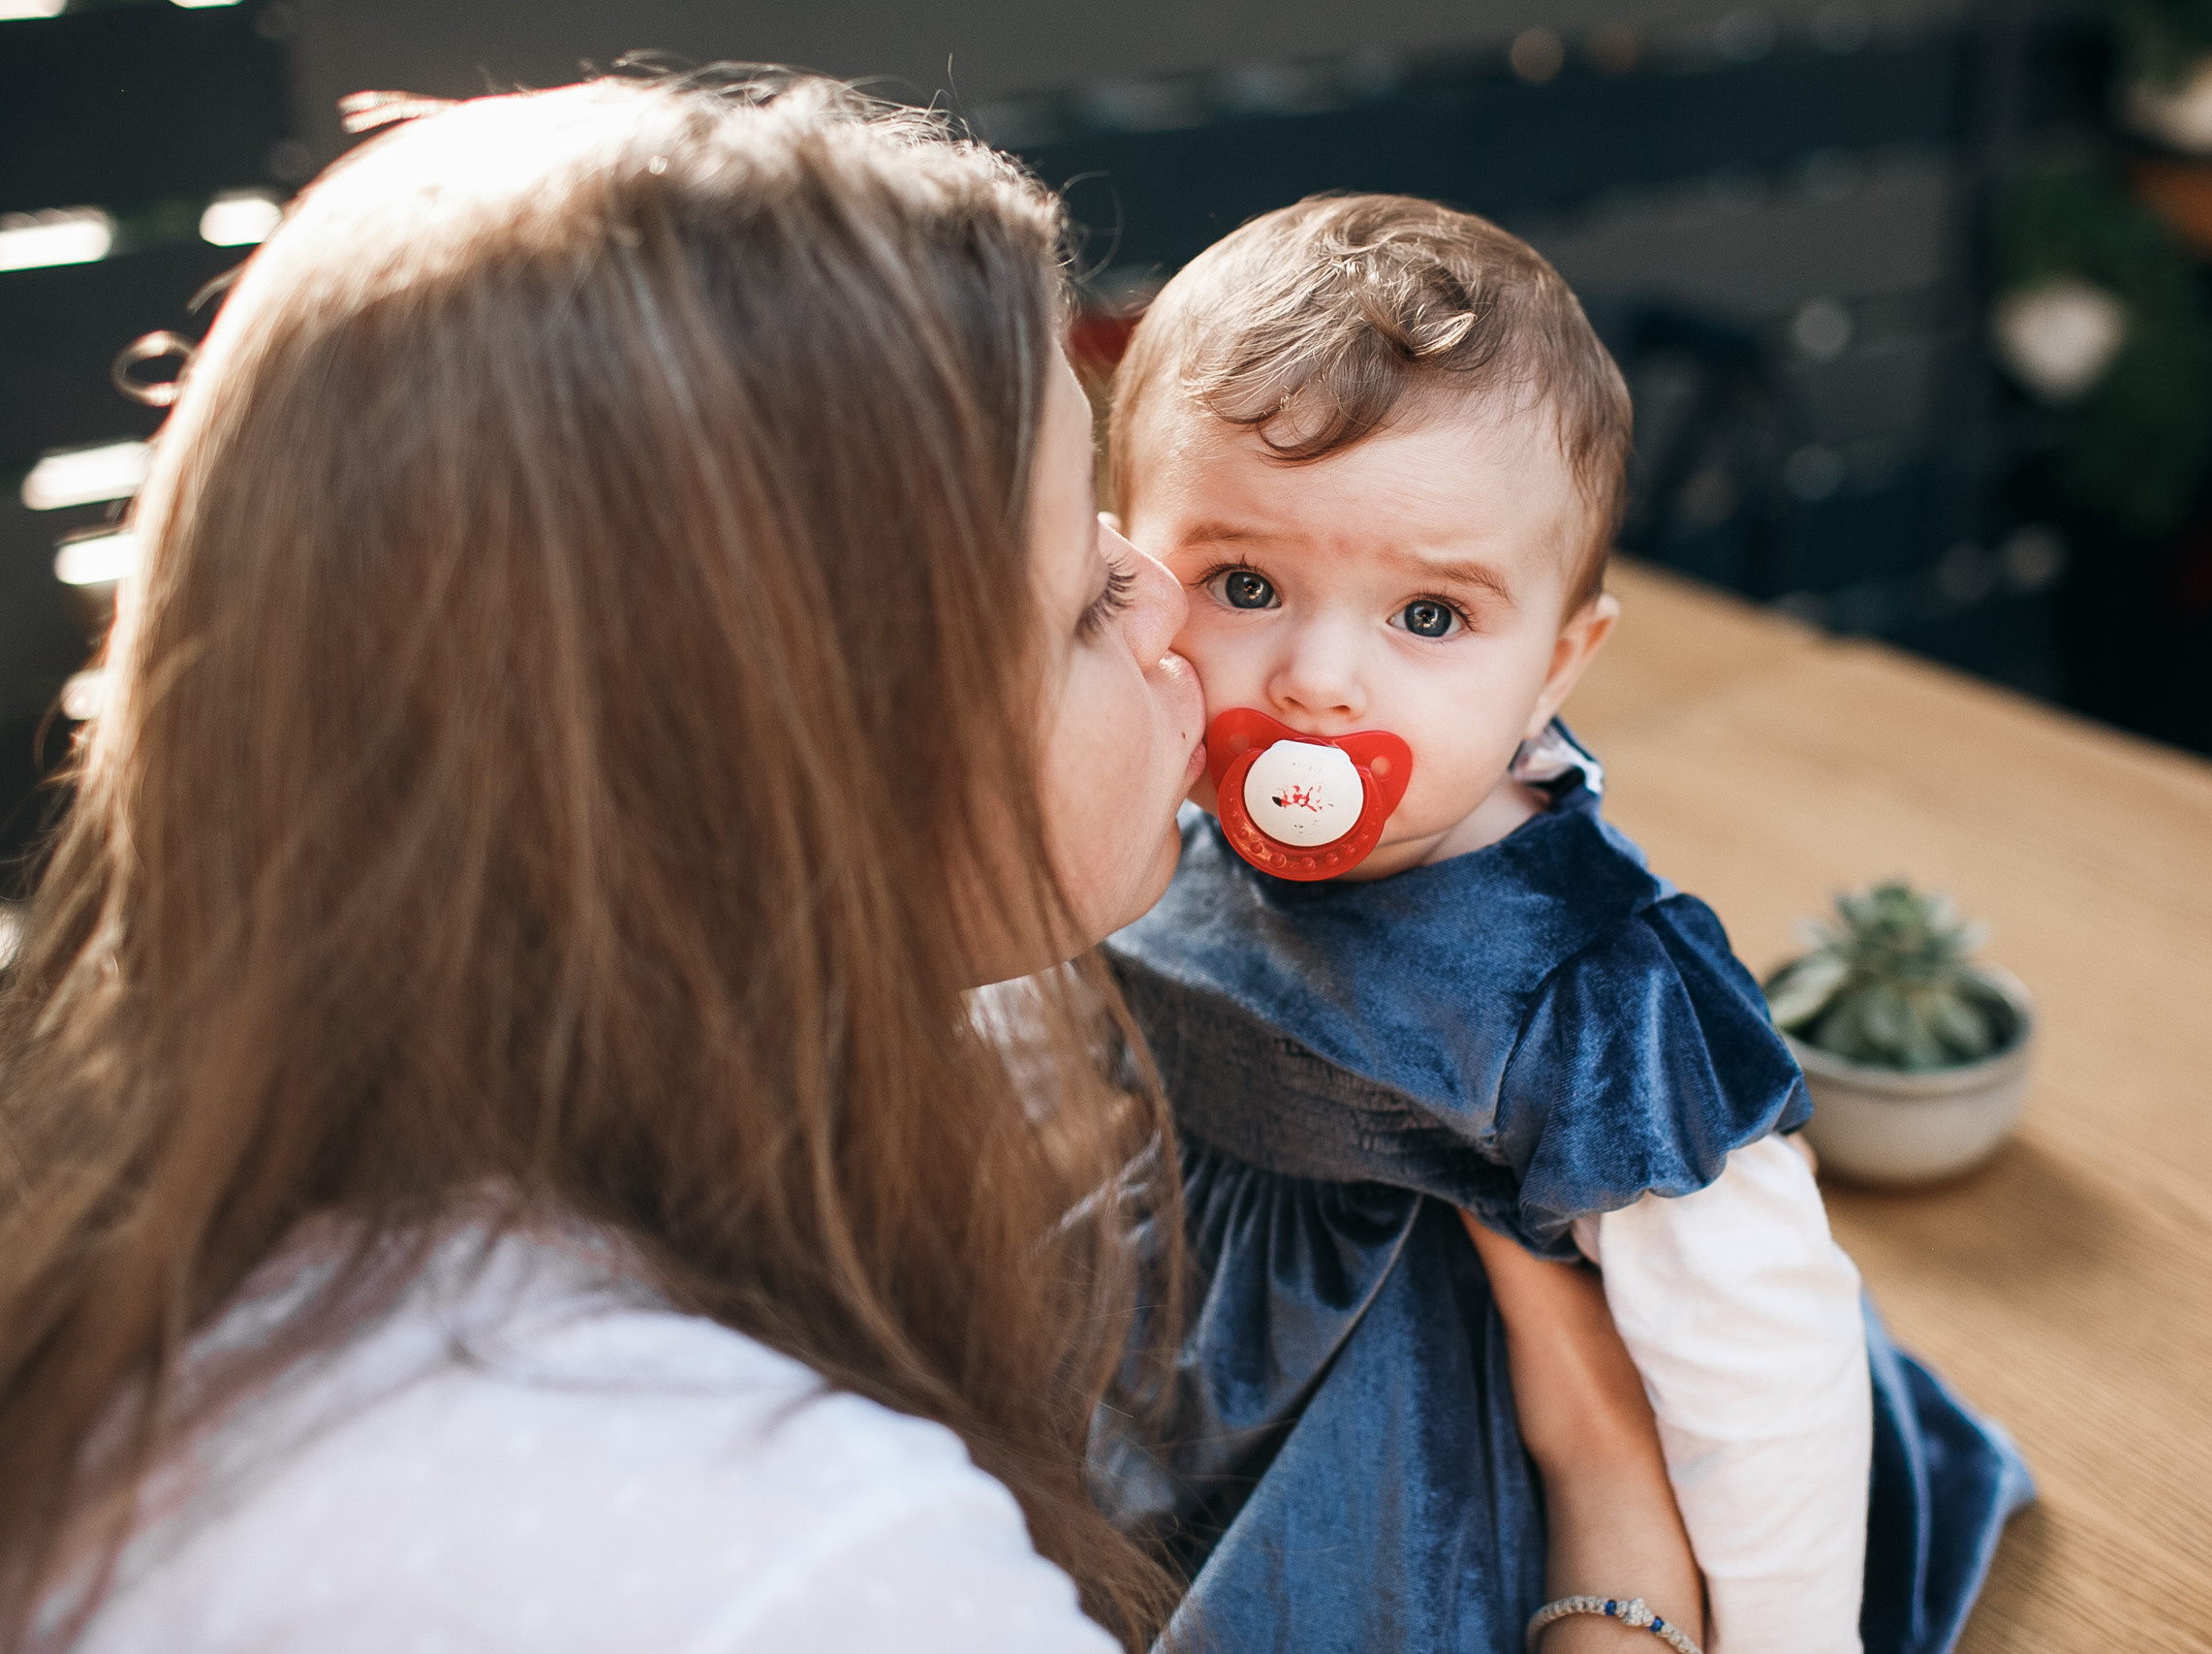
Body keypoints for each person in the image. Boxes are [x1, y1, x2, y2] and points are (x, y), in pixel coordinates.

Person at [0, 72, 1213, 1654]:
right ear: (798, 764)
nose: (1170, 598)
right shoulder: (794, 1565)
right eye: (1084, 596)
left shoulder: (224, 1258)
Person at [1095, 195, 2036, 1654]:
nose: (1319, 682)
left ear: (1557, 662)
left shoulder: (1595, 981)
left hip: (1436, 1423)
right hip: (1188, 1326)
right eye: (1246, 584)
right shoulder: (1145, 808)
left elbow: (1757, 1358)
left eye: (1429, 618)